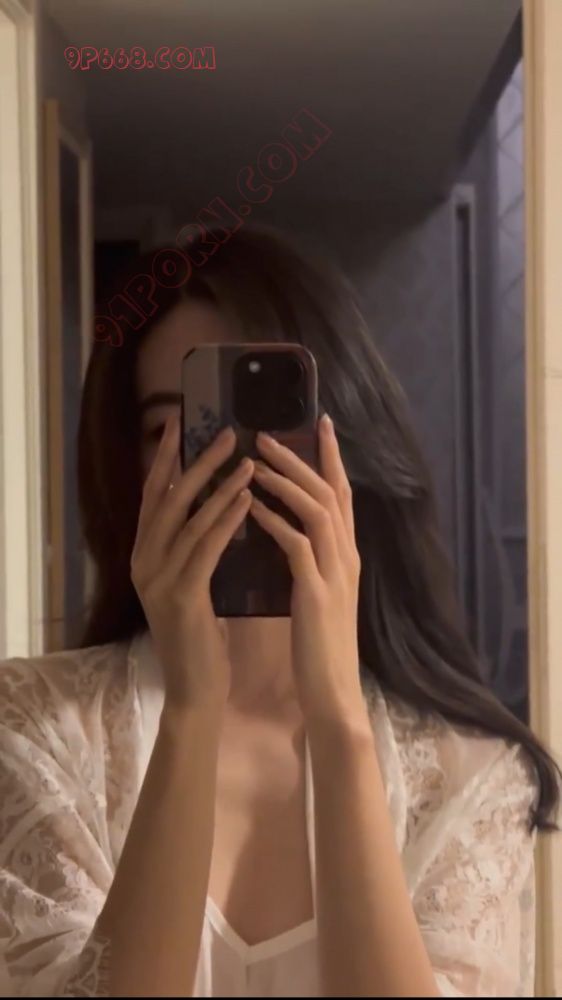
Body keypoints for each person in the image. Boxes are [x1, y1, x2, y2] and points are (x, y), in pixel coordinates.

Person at [0, 225, 559, 999]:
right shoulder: (35, 728)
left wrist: (338, 721)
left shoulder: (472, 777)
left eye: (267, 427)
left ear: (344, 448)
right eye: (178, 429)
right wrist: (192, 710)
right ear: (126, 466)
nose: (232, 468)